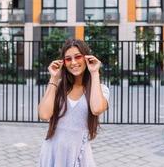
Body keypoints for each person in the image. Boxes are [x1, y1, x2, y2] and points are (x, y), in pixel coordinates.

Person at [38, 39, 110, 167]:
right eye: (68, 59)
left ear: (86, 58)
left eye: (78, 57)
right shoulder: (58, 87)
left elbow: (97, 108)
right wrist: (54, 78)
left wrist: (94, 73)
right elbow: (44, 114)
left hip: (79, 154)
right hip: (52, 152)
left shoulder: (100, 89)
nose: (74, 62)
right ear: (63, 63)